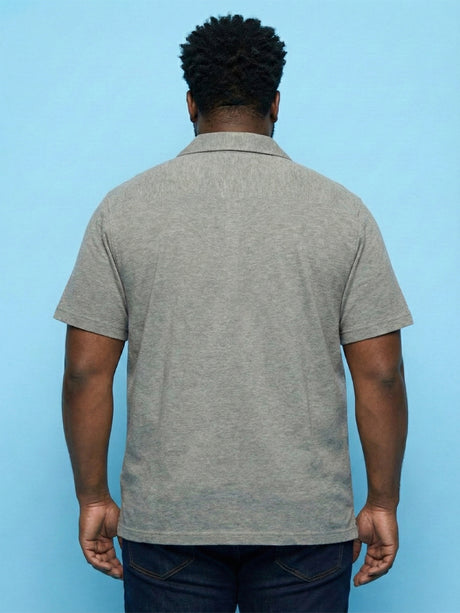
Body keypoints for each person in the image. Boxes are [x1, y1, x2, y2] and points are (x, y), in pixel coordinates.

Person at [55, 14, 413, 613]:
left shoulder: (123, 210)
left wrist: (92, 496)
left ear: (190, 103)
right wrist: (383, 502)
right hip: (306, 524)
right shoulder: (343, 213)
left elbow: (84, 372)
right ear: (276, 103)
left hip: (168, 522)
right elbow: (382, 374)